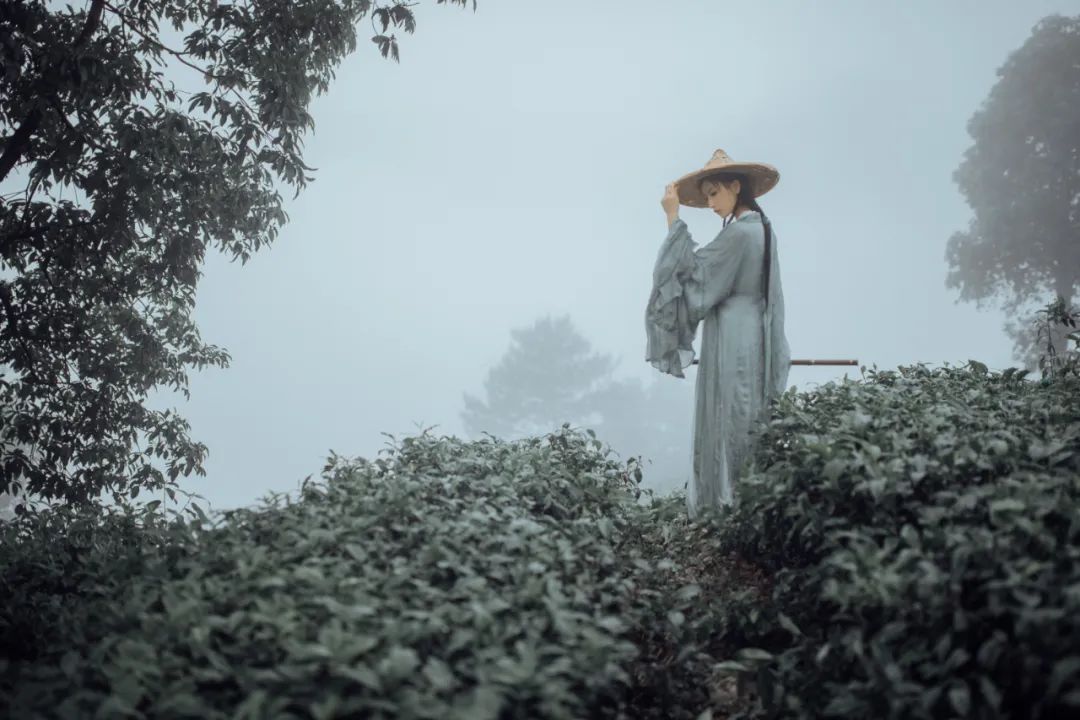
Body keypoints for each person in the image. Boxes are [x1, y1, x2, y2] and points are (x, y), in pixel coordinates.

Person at [645, 149, 790, 518]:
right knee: (744, 412)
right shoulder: (762, 229)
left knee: (733, 417)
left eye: (714, 193)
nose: (710, 203)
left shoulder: (742, 233)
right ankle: (744, 503)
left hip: (734, 336)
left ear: (735, 187)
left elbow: (695, 278)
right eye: (706, 195)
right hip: (751, 330)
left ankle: (728, 507)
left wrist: (673, 218)